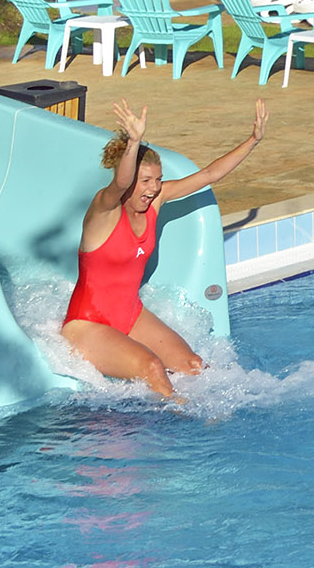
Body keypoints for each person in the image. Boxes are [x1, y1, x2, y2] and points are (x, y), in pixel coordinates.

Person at [62, 98, 264, 401]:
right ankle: (183, 420)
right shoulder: (104, 210)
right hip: (86, 325)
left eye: (158, 180)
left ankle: (213, 419)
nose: (153, 188)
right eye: (145, 181)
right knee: (152, 368)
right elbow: (120, 183)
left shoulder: (155, 202)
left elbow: (209, 175)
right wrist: (134, 142)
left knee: (194, 365)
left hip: (130, 315)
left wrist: (253, 140)